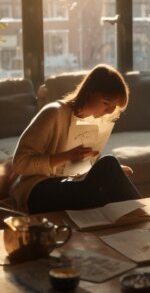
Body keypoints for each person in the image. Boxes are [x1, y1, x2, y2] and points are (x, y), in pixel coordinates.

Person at [11, 64, 141, 214]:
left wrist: (107, 173)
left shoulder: (95, 123)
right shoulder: (54, 113)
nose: (110, 111)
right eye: (106, 103)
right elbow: (20, 164)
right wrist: (67, 156)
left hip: (68, 184)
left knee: (109, 175)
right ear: (89, 92)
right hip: (36, 191)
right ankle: (145, 219)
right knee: (109, 164)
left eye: (114, 106)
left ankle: (135, 222)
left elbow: (79, 169)